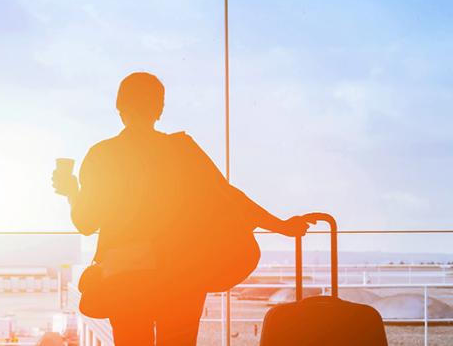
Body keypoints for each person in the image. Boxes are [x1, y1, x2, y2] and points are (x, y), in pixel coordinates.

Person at [52, 72, 309, 345]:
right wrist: (281, 225)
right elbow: (232, 198)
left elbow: (86, 223)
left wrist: (71, 192)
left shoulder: (103, 155)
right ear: (159, 109)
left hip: (126, 277)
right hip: (182, 276)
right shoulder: (183, 151)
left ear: (119, 107)